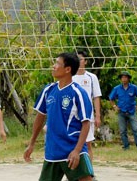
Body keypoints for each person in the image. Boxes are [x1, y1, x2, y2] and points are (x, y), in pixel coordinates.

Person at [24, 52, 94, 181]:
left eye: (57, 63)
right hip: (52, 151)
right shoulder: (48, 90)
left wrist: (77, 151)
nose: (53, 66)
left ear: (67, 69)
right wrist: (31, 143)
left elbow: (86, 123)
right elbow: (40, 118)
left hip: (72, 149)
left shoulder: (78, 93)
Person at [72, 51, 102, 162]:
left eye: (80, 59)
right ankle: (73, 174)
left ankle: (90, 173)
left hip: (87, 116)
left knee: (87, 144)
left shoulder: (91, 77)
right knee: (72, 144)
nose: (79, 61)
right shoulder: (70, 76)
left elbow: (96, 97)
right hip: (73, 116)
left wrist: (98, 115)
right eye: (76, 59)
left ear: (85, 61)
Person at [109, 71, 137, 150]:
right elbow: (111, 98)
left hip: (131, 111)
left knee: (135, 129)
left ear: (128, 79)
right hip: (121, 112)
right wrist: (115, 106)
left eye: (125, 77)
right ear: (121, 79)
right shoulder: (117, 88)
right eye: (122, 77)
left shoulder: (134, 87)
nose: (124, 79)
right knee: (122, 131)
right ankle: (126, 146)